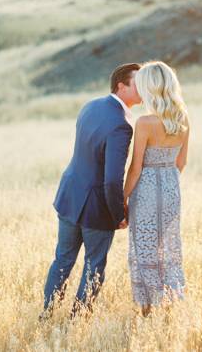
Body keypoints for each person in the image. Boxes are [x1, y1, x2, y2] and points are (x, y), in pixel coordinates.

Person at [41, 63, 142, 318]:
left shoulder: (90, 105)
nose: (143, 90)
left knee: (62, 260)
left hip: (69, 196)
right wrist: (118, 213)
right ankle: (78, 321)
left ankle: (47, 314)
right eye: (137, 85)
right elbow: (111, 180)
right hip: (96, 206)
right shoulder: (122, 124)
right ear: (121, 86)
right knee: (94, 267)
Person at [123, 60, 190, 316]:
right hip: (172, 190)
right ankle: (173, 306)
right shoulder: (183, 118)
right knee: (169, 250)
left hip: (147, 193)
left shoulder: (145, 123)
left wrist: (123, 199)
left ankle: (149, 311)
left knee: (145, 252)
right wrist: (167, 182)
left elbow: (136, 168)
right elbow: (181, 162)